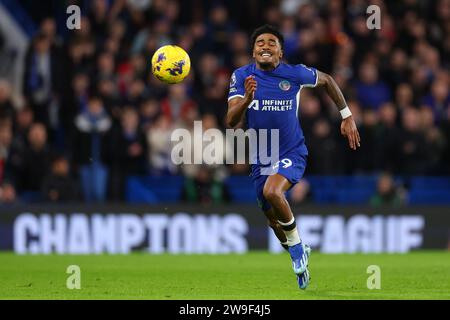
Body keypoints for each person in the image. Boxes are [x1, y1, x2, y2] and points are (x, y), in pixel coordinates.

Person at [226, 25, 360, 290]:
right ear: (253, 52)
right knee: (272, 219)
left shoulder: (295, 73)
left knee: (273, 191)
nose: (265, 45)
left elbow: (328, 81)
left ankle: (297, 249)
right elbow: (231, 121)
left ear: (281, 51)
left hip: (291, 150)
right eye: (260, 42)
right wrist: (247, 98)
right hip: (262, 155)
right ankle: (297, 247)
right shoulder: (241, 76)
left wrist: (346, 116)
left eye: (272, 42)